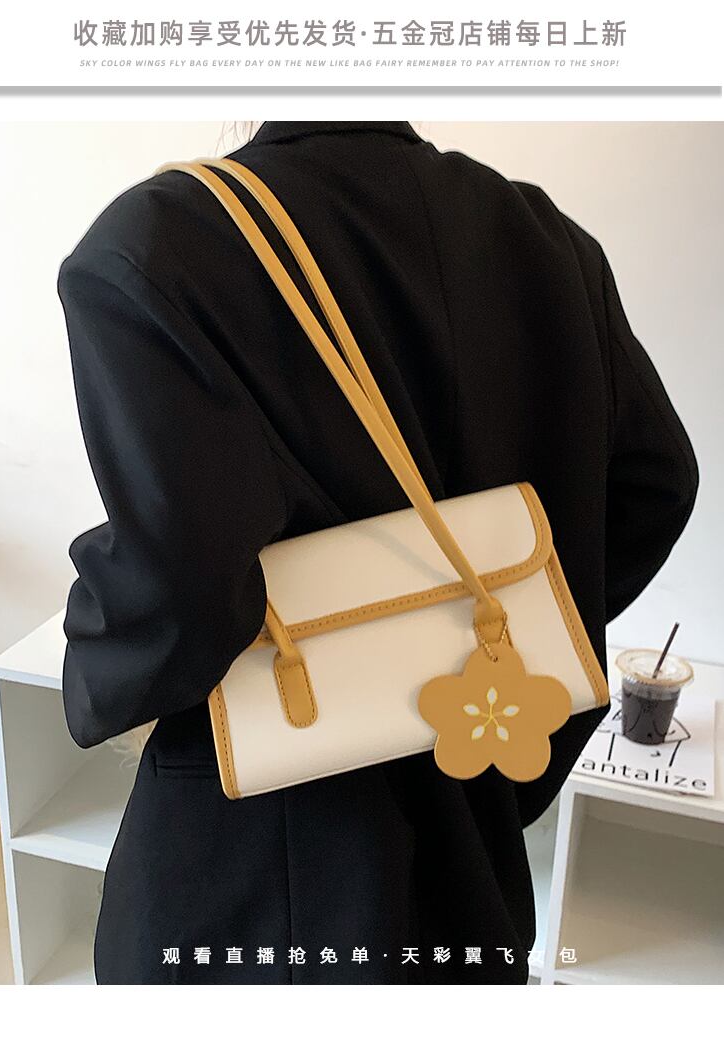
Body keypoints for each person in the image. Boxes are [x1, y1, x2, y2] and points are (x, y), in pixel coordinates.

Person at [57, 121, 699, 984]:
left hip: (253, 873)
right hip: (473, 811)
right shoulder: (545, 240)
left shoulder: (161, 241)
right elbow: (659, 482)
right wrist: (503, 640)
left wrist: (90, 655)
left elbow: (178, 589)